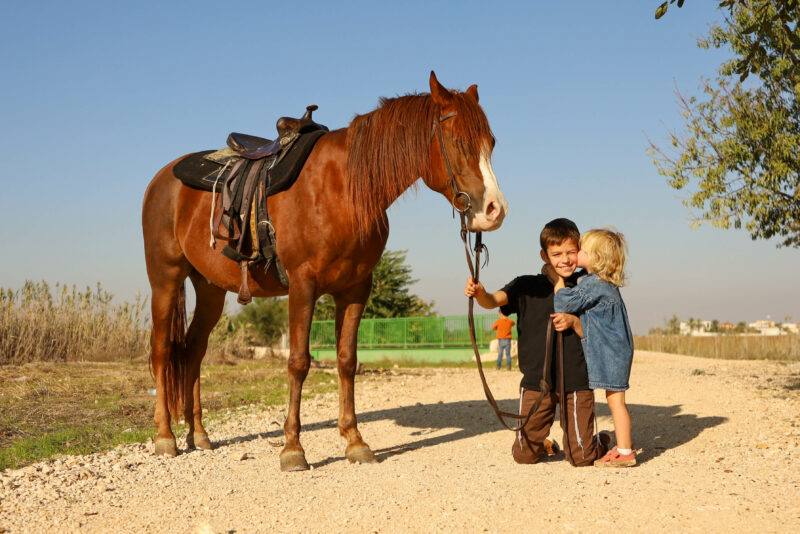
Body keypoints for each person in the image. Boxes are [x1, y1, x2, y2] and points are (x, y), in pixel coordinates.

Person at [464, 218, 608, 467]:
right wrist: (480, 294)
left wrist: (574, 321)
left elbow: (600, 333)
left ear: (580, 251)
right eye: (556, 254)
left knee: (582, 458)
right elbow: (492, 300)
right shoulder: (526, 285)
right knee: (523, 456)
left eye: (571, 252)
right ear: (544, 255)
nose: (564, 260)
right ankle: (543, 442)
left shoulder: (588, 287)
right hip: (537, 383)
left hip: (577, 381)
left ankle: (600, 440)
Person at [552, 228, 635, 467]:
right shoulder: (602, 283)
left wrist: (557, 280)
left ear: (595, 259)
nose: (575, 254)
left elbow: (563, 301)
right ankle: (623, 447)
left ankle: (625, 451)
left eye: (581, 250)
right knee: (616, 401)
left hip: (611, 352)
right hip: (617, 350)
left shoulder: (594, 284)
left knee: (616, 403)